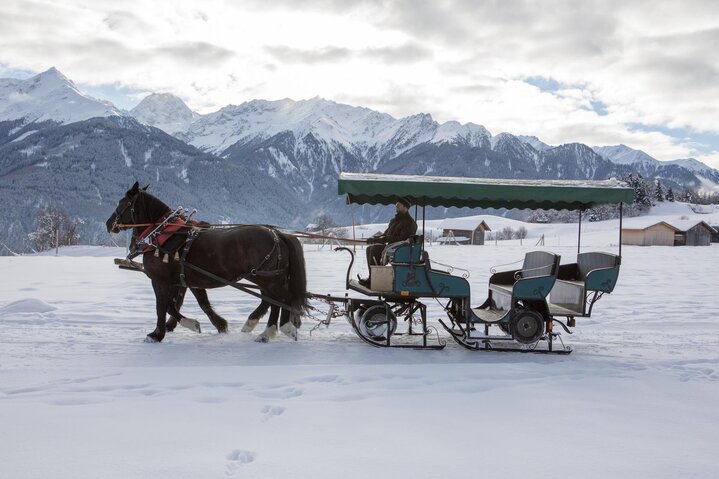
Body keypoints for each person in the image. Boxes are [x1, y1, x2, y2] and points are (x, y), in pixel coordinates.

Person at [359, 197, 417, 286]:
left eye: (398, 206)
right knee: (369, 248)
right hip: (391, 247)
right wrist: (376, 239)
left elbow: (402, 239)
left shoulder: (409, 223)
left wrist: (385, 239)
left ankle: (374, 279)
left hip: (398, 249)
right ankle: (373, 276)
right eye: (396, 206)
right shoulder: (395, 220)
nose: (396, 208)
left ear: (405, 207)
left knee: (375, 249)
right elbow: (386, 234)